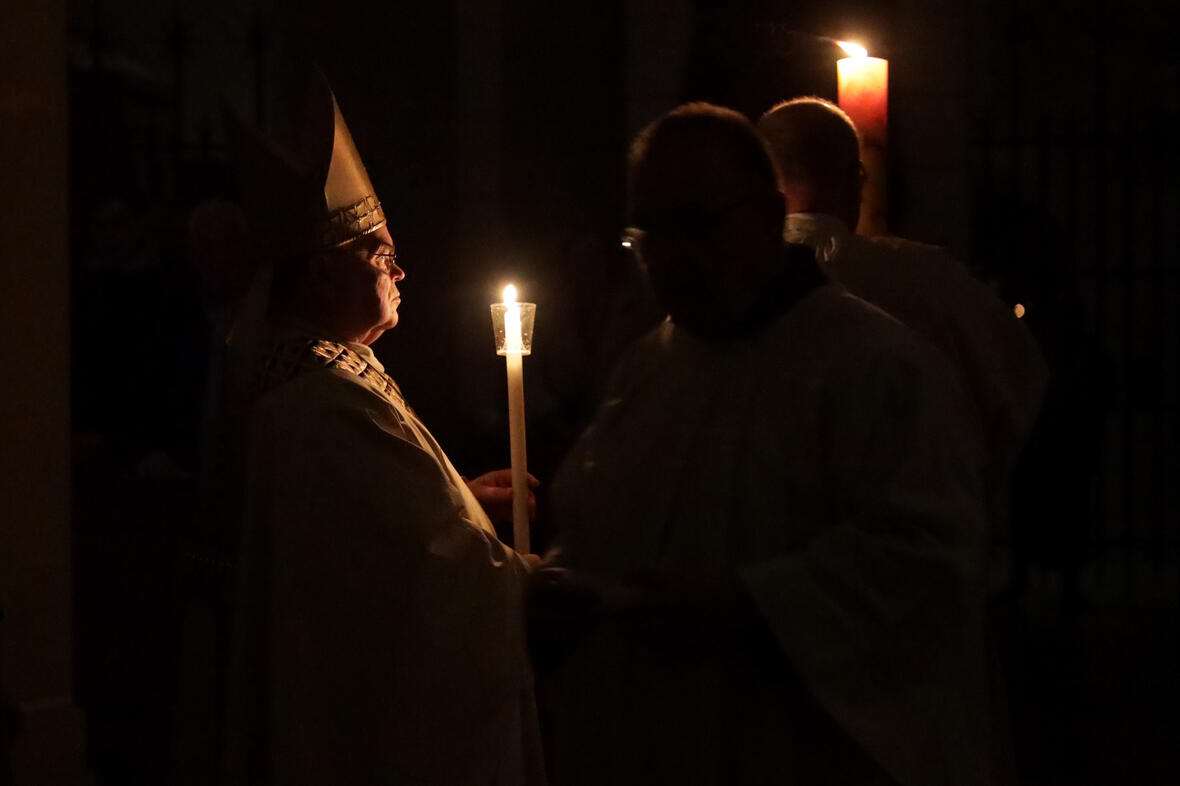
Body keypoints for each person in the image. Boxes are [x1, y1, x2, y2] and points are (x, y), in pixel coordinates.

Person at [538, 103, 1007, 785]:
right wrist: (561, 574)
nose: (673, 256)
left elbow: (926, 560)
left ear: (767, 214)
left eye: (698, 224)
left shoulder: (876, 367)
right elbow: (595, 514)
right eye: (654, 232)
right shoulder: (649, 367)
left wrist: (751, 604)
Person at [222, 71, 544, 785]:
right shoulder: (324, 401)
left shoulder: (326, 380)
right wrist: (535, 582)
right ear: (319, 279)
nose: (400, 271)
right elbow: (426, 581)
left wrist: (457, 496)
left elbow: (366, 527)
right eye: (379, 254)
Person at [757, 97, 1047, 535]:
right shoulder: (928, 282)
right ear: (855, 181)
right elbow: (1020, 377)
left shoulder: (734, 283)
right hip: (905, 540)